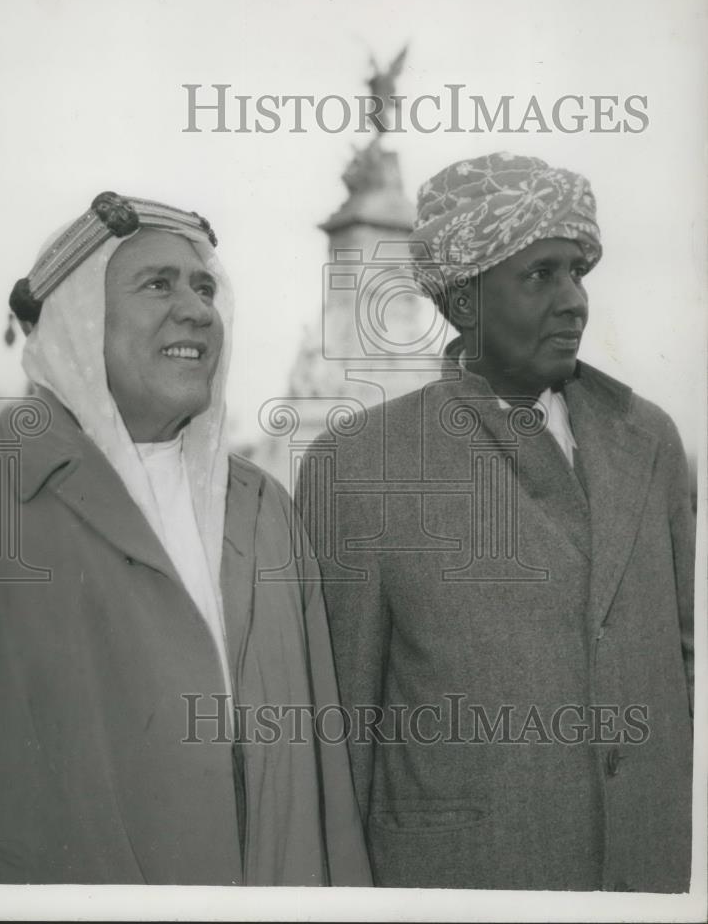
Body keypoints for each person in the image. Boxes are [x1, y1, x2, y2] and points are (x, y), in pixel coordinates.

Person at [0, 191, 371, 886]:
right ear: (79, 320)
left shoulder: (263, 508)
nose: (197, 309)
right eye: (156, 284)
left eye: (204, 287)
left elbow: (321, 782)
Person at [297, 153, 694, 892]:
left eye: (577, 270)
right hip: (464, 883)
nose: (574, 299)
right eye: (539, 275)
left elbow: (685, 662)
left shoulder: (651, 440)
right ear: (462, 301)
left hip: (651, 877)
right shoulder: (358, 465)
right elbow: (340, 727)